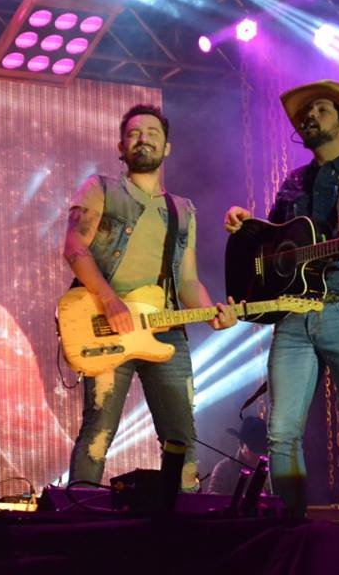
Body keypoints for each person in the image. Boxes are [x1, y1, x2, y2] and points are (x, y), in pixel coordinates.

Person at [224, 80, 339, 516]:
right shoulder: (293, 182)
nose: (309, 117)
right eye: (306, 114)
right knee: (281, 432)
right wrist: (244, 223)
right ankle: (289, 527)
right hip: (292, 316)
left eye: (321, 110)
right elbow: (269, 247)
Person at [64, 104, 238, 490]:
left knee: (182, 439)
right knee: (98, 431)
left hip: (165, 329)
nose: (144, 139)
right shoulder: (101, 189)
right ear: (120, 147)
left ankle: (181, 522)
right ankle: (76, 520)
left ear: (167, 148)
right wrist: (110, 301)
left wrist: (212, 312)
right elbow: (75, 247)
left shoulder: (183, 210)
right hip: (106, 322)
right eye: (134, 134)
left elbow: (188, 280)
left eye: (153, 134)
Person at [204, 416, 268, 496]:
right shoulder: (224, 468)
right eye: (254, 448)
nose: (259, 453)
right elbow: (214, 500)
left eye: (262, 448)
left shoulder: (271, 469)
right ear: (241, 444)